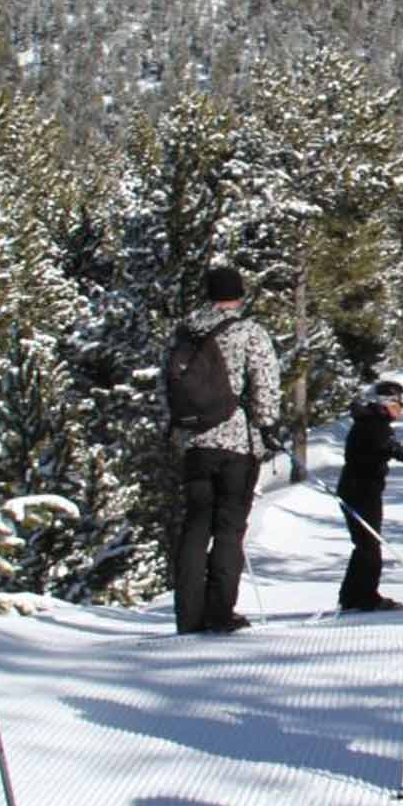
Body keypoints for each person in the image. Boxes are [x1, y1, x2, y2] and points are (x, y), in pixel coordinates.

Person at [170, 264, 281, 635]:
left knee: (194, 527)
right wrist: (266, 426)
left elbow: (166, 387)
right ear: (240, 295)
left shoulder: (185, 333)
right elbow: (265, 386)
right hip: (236, 442)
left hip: (194, 443)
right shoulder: (249, 333)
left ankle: (188, 615)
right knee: (229, 528)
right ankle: (219, 612)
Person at [336, 378, 403, 612]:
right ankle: (364, 597)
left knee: (365, 543)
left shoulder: (373, 421)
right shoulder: (372, 423)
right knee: (369, 544)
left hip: (361, 489)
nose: (402, 408)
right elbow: (381, 446)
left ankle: (352, 596)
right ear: (386, 402)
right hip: (360, 490)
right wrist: (399, 451)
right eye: (399, 403)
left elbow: (384, 447)